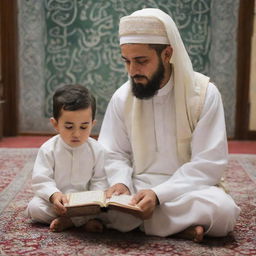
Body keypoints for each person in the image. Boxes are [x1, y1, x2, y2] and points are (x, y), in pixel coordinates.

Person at [98, 8, 240, 242]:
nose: (133, 71)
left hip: (186, 189)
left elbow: (208, 164)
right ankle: (178, 228)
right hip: (137, 186)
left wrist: (158, 194)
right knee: (93, 196)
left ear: (167, 53)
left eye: (141, 61)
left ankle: (141, 224)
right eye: (127, 61)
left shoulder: (204, 94)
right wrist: (121, 182)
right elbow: (112, 152)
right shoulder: (123, 97)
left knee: (222, 212)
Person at [26, 84, 108, 232]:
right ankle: (79, 222)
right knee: (34, 208)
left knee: (114, 211)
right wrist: (54, 195)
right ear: (55, 124)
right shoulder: (48, 149)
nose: (76, 134)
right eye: (69, 127)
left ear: (93, 124)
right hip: (58, 204)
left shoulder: (97, 150)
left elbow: (100, 180)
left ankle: (73, 221)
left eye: (83, 127)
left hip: (87, 204)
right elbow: (41, 180)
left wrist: (94, 200)